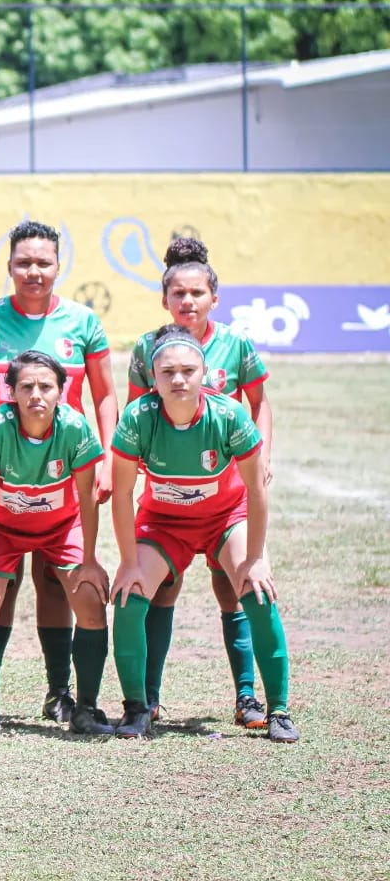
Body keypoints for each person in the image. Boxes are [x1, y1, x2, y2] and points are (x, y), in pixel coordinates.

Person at [0, 219, 118, 725]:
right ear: (9, 266)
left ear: (59, 266)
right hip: (4, 477)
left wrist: (107, 463)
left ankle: (63, 695)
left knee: (62, 587)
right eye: (23, 262)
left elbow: (104, 394)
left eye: (44, 262)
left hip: (63, 476)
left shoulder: (82, 322)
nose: (34, 271)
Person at [107, 325, 297, 743]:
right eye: (168, 372)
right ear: (152, 379)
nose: (178, 379)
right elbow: (121, 494)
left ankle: (278, 709)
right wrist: (127, 561)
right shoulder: (139, 418)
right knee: (129, 595)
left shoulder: (228, 414)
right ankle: (138, 708)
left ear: (204, 373)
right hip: (164, 523)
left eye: (188, 370)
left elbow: (256, 489)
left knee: (256, 589)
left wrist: (256, 556)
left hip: (224, 519)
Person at [126, 235, 274, 728]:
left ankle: (248, 697)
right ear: (164, 298)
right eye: (178, 294)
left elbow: (259, 404)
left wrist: (263, 456)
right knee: (163, 586)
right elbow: (134, 414)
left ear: (214, 297)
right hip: (169, 499)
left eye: (197, 294)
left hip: (224, 494)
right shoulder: (147, 348)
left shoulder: (236, 344)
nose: (187, 302)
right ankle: (147, 699)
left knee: (231, 586)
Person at [0, 351, 113, 739]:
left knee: (90, 597)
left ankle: (85, 707)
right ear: (10, 392)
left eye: (46, 386)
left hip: (61, 527)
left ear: (61, 391)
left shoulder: (75, 427)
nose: (36, 395)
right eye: (26, 386)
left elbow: (86, 498)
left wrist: (91, 560)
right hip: (4, 529)